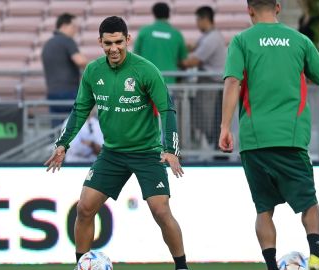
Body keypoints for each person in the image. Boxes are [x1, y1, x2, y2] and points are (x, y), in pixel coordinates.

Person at [44, 16, 189, 270]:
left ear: (127, 40)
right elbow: (79, 110)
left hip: (147, 153)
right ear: (100, 42)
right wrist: (62, 144)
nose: (114, 48)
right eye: (108, 42)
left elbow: (167, 110)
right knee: (84, 209)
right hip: (111, 154)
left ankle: (182, 266)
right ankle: (83, 265)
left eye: (119, 42)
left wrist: (170, 149)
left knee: (161, 211)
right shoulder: (92, 71)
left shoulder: (146, 70)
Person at [218, 1, 319, 270]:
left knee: (264, 209)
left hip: (254, 140)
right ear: (277, 7)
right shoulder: (300, 41)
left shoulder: (241, 41)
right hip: (291, 138)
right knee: (309, 202)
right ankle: (315, 256)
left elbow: (232, 82)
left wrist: (225, 127)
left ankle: (271, 267)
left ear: (249, 9)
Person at [181, 6, 226, 150]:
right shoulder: (208, 36)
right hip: (210, 83)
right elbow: (193, 47)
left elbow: (194, 61)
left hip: (212, 84)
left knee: (208, 119)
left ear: (205, 19)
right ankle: (214, 148)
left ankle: (216, 150)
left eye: (198, 20)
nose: (197, 24)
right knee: (206, 118)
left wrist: (176, 62)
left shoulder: (212, 38)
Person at [42, 13, 87, 127]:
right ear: (64, 25)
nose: (75, 30)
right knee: (73, 129)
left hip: (52, 92)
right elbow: (80, 61)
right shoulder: (67, 41)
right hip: (69, 92)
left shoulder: (48, 44)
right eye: (73, 26)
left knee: (57, 130)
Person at [133, 2, 188, 85]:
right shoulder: (176, 34)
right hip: (169, 82)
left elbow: (135, 56)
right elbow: (183, 61)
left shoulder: (144, 32)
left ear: (154, 14)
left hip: (147, 81)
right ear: (168, 14)